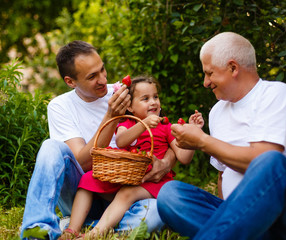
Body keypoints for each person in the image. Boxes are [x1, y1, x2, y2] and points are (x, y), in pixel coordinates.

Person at [157, 32, 286, 239]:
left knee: (270, 162)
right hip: (250, 221)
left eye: (210, 73)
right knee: (170, 195)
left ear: (233, 68)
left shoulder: (276, 94)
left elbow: (261, 160)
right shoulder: (217, 112)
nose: (205, 82)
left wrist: (202, 141)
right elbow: (223, 175)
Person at [20, 41, 177, 240]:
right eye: (92, 76)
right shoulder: (60, 106)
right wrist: (111, 117)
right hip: (84, 193)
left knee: (155, 213)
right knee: (51, 147)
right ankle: (37, 232)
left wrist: (167, 161)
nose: (103, 79)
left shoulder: (124, 93)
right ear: (71, 81)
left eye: (102, 69)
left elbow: (163, 128)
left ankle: (88, 228)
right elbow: (82, 162)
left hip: (127, 193)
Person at [59, 76, 204, 239]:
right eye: (145, 99)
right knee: (87, 179)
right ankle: (72, 229)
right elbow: (121, 141)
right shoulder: (127, 124)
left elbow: (184, 158)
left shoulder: (166, 127)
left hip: (155, 181)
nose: (154, 102)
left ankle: (95, 233)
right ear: (129, 106)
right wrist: (144, 124)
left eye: (155, 97)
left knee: (126, 194)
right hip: (128, 177)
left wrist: (194, 133)